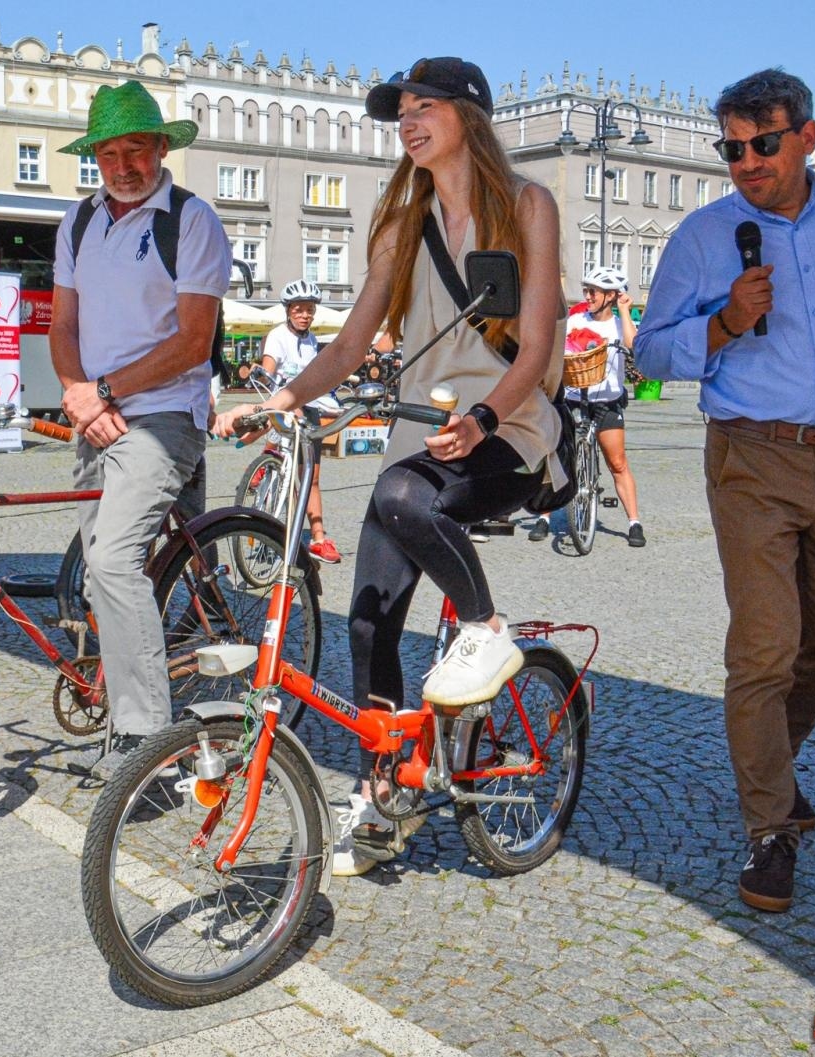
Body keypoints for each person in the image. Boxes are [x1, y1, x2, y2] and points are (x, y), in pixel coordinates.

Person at [215, 56, 563, 876]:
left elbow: (540, 341)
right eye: (400, 110)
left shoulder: (527, 205)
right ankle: (386, 788)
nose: (407, 120)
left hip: (511, 432)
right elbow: (347, 340)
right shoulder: (400, 224)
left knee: (399, 491)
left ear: (468, 117)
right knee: (368, 615)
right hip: (424, 441)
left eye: (424, 106)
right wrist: (286, 398)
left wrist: (482, 416)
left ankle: (485, 628)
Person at [634, 69, 815, 914]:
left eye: (764, 142)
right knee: (764, 648)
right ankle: (770, 829)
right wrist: (722, 322)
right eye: (732, 148)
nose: (747, 162)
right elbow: (649, 352)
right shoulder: (703, 236)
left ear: (807, 136)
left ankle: (774, 770)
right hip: (752, 458)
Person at [48, 80, 232, 779]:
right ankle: (129, 695)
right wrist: (76, 393)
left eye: (136, 149)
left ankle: (146, 742)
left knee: (114, 561)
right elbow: (61, 325)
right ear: (94, 156)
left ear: (162, 148)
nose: (123, 165)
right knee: (103, 578)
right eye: (109, 152)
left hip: (162, 415)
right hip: (96, 412)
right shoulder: (78, 222)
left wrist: (102, 392)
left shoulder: (190, 220)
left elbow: (193, 342)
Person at [528, 266, 646, 546]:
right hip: (572, 397)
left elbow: (634, 345)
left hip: (606, 401)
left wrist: (626, 311)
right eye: (587, 290)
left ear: (610, 296)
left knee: (618, 462)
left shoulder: (618, 325)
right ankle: (544, 516)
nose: (588, 296)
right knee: (554, 456)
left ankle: (634, 522)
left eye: (593, 291)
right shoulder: (576, 319)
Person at [260, 279, 342, 563]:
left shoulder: (311, 341)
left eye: (309, 309)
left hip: (309, 410)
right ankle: (262, 527)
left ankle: (318, 538)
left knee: (312, 477)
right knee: (277, 470)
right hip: (285, 410)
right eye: (299, 309)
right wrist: (281, 398)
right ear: (288, 310)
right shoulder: (277, 336)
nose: (305, 314)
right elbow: (267, 373)